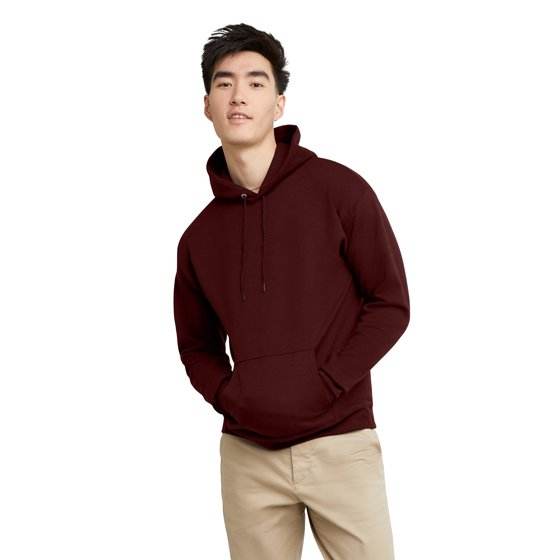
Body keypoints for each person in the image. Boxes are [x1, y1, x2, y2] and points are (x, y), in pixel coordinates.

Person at [173, 22, 410, 560]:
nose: (238, 95)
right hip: (248, 456)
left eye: (256, 83)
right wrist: (231, 396)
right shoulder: (198, 238)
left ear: (279, 103)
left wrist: (330, 380)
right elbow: (196, 346)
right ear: (206, 105)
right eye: (224, 83)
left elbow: (390, 303)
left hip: (340, 443)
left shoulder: (339, 190)